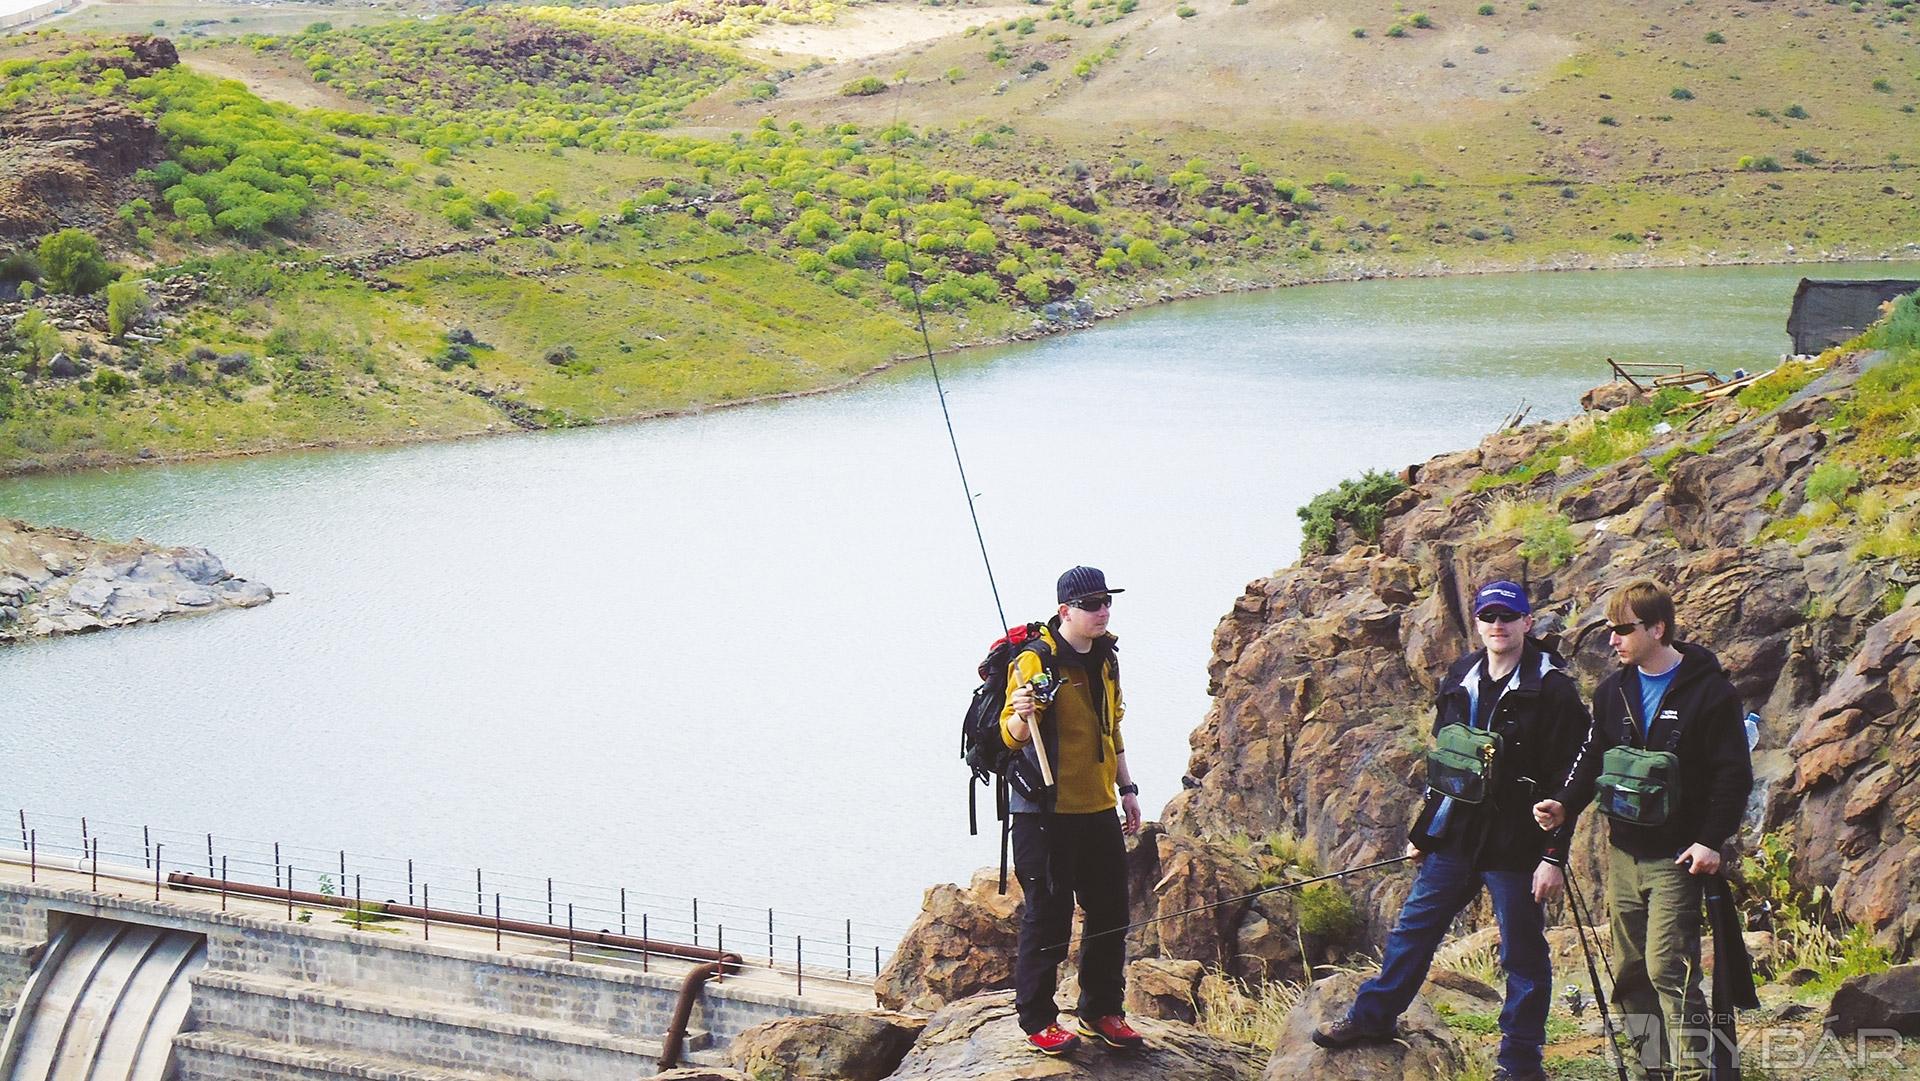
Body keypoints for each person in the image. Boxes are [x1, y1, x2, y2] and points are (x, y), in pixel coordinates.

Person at [1315, 581, 1591, 1081]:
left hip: (1517, 843)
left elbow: (1570, 781)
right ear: (1478, 623)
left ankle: (1520, 1063)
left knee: (1522, 954)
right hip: (1458, 836)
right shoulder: (1462, 675)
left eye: (1508, 616)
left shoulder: (1554, 689)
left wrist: (1553, 856)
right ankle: (1373, 1018)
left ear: (1527, 622)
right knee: (1413, 931)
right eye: (1489, 617)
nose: (1498, 625)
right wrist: (1424, 832)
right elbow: (1446, 763)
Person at [1534, 579, 1752, 1081]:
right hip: (1624, 854)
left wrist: (1710, 841)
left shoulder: (1712, 693)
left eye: (1623, 629)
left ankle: (1695, 1071)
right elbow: (1594, 757)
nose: (1613, 640)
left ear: (1657, 628)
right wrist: (1565, 805)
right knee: (1632, 973)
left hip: (1679, 857)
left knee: (1667, 968)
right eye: (1611, 630)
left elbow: (1733, 775)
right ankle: (1651, 1069)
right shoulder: (1613, 692)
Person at [1000, 565, 1145, 1056]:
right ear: (1065, 610)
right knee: (1049, 918)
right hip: (1045, 813)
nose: (1102, 611)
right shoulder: (1035, 661)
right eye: (1091, 604)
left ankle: (1101, 1010)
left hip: (1098, 807)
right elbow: (1011, 737)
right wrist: (1022, 714)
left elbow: (1112, 728)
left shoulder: (1106, 658)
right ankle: (1038, 1019)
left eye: (1107, 601)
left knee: (1111, 914)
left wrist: (1127, 789)